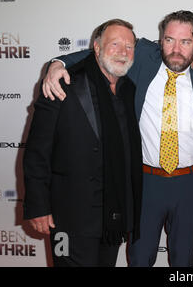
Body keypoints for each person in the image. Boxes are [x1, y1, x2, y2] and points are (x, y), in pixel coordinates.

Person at [41, 11, 193, 267]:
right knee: (139, 257)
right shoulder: (142, 58)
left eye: (186, 42)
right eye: (169, 40)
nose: (176, 49)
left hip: (191, 184)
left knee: (184, 260)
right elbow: (99, 54)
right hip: (144, 183)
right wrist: (58, 63)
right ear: (160, 41)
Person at [23, 19, 143, 267]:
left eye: (129, 46)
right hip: (68, 217)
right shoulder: (62, 83)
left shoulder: (129, 89)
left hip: (112, 216)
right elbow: (37, 151)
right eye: (115, 44)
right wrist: (37, 207)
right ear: (96, 48)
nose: (123, 52)